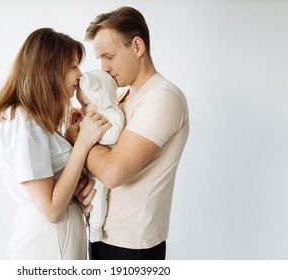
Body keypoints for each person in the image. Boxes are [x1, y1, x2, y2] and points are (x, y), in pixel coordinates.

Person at [71, 6, 190, 260]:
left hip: (132, 247)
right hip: (100, 235)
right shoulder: (121, 97)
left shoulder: (163, 97)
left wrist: (77, 137)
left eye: (109, 57)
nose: (103, 67)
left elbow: (113, 172)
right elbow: (101, 164)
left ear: (137, 47)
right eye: (100, 59)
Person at [0, 28, 111, 260]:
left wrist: (68, 138)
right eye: (73, 65)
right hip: (48, 245)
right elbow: (51, 209)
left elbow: (51, 184)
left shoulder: (32, 122)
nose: (79, 74)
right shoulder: (24, 123)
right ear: (50, 68)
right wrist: (82, 144)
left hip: (56, 242)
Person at [70, 69, 125, 243]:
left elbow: (113, 135)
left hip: (100, 170)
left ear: (100, 98)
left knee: (98, 192)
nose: (83, 109)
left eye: (86, 104)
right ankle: (87, 221)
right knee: (83, 193)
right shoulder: (92, 116)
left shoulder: (112, 113)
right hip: (86, 165)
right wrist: (78, 122)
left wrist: (88, 129)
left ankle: (96, 225)